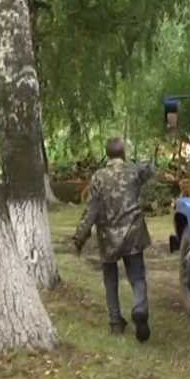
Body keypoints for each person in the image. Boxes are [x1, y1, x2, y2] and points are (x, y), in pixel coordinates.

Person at [73, 137, 156, 341]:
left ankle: (116, 322)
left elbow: (91, 210)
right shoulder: (133, 172)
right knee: (137, 277)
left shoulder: (99, 177)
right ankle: (139, 308)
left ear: (107, 153)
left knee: (110, 280)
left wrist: (79, 238)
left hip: (108, 237)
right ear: (123, 152)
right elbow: (150, 168)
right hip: (133, 234)